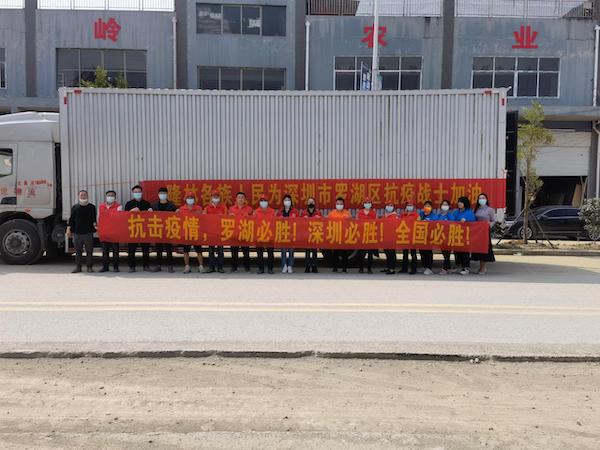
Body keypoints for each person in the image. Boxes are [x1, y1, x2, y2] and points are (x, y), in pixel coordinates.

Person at [124, 185, 156, 273]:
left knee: (145, 249)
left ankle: (146, 266)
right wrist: (131, 211)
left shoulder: (147, 203)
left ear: (142, 193)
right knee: (131, 249)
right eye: (136, 192)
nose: (137, 193)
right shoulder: (129, 204)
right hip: (133, 229)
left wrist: (151, 212)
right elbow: (124, 217)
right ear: (133, 193)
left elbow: (151, 218)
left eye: (139, 192)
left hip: (144, 229)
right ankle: (132, 266)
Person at [67, 190, 97, 273]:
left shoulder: (92, 207)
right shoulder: (75, 207)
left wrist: (95, 226)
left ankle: (89, 267)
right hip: (77, 233)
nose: (83, 197)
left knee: (89, 251)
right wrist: (68, 229)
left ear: (87, 196)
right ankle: (78, 267)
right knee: (78, 251)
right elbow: (71, 219)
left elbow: (94, 219)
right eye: (81, 195)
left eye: (84, 195)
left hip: (88, 232)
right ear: (78, 196)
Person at [178, 191, 204, 274]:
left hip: (196, 232)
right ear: (185, 199)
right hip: (186, 232)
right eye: (188, 198)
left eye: (191, 198)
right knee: (186, 250)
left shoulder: (199, 209)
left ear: (194, 199)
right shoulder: (181, 209)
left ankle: (201, 266)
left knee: (199, 250)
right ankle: (187, 266)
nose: (190, 199)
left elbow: (204, 220)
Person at [471, 193, 496, 275]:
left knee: (484, 249)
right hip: (478, 232)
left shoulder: (490, 209)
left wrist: (489, 225)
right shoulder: (476, 209)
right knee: (479, 249)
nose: (482, 200)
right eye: (480, 198)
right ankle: (480, 267)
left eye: (483, 198)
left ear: (486, 199)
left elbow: (493, 220)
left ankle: (483, 267)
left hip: (485, 232)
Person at [152, 187, 176, 273]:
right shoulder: (154, 205)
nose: (162, 195)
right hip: (158, 229)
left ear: (167, 194)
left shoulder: (172, 205)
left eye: (164, 193)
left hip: (168, 229)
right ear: (158, 195)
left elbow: (176, 216)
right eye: (161, 193)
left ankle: (170, 266)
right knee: (158, 248)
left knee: (169, 248)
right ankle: (158, 265)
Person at [229, 191, 253, 272]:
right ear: (236, 199)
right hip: (234, 233)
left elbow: (253, 220)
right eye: (239, 197)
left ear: (245, 199)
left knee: (246, 251)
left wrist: (249, 217)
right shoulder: (231, 209)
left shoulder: (249, 209)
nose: (240, 199)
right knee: (234, 251)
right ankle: (234, 267)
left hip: (245, 232)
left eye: (242, 197)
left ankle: (247, 267)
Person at [98, 190, 121, 273]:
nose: (110, 197)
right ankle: (105, 267)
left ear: (115, 197)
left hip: (114, 231)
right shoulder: (101, 206)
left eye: (112, 195)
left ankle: (115, 267)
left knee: (115, 250)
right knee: (105, 250)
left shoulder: (118, 206)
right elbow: (99, 217)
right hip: (104, 231)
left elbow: (119, 218)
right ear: (106, 197)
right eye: (109, 195)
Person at [453, 196, 476, 276]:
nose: (459, 203)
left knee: (464, 252)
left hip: (465, 235)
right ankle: (458, 266)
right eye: (459, 202)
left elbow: (473, 222)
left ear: (465, 203)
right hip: (456, 234)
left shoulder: (469, 212)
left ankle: (465, 268)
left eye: (461, 202)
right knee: (457, 252)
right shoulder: (456, 212)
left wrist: (466, 220)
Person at [204, 190, 227, 273]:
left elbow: (227, 218)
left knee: (220, 251)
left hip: (220, 232)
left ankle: (220, 267)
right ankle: (211, 267)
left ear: (219, 198)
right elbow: (204, 219)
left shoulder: (223, 208)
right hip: (211, 232)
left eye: (217, 196)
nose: (215, 198)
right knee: (211, 250)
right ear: (211, 197)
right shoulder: (207, 208)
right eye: (214, 196)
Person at [328, 197, 352, 273]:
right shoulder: (331, 213)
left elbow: (351, 224)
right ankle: (335, 267)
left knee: (344, 252)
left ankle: (344, 267)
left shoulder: (347, 213)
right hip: (335, 235)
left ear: (343, 204)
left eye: (341, 204)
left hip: (344, 235)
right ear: (335, 204)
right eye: (338, 203)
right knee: (335, 252)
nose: (339, 205)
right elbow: (328, 223)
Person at [277, 194, 299, 274]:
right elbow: (275, 222)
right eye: (285, 200)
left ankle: (290, 266)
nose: (287, 201)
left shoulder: (295, 211)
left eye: (288, 200)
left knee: (291, 250)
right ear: (283, 202)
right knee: (283, 251)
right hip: (282, 233)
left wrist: (295, 218)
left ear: (291, 201)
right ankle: (284, 266)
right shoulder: (280, 212)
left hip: (292, 233)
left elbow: (300, 222)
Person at [254, 194, 276, 274]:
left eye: (265, 200)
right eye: (262, 200)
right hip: (259, 235)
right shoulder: (256, 212)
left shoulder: (272, 211)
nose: (263, 202)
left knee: (270, 253)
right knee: (259, 253)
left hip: (269, 235)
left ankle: (270, 268)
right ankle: (261, 268)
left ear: (268, 202)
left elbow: (275, 222)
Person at [300, 197, 322, 273]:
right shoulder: (304, 212)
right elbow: (299, 223)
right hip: (306, 234)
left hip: (315, 234)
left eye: (312, 202)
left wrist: (319, 218)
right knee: (307, 251)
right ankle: (307, 266)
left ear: (314, 203)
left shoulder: (318, 212)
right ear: (307, 203)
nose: (311, 203)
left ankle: (314, 266)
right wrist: (303, 219)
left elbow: (323, 222)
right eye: (309, 202)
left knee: (314, 251)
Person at [356, 197, 377, 274]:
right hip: (362, 235)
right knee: (361, 253)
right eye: (366, 202)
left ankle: (369, 268)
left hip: (370, 235)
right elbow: (357, 223)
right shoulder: (360, 212)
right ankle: (361, 268)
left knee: (370, 253)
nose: (367, 204)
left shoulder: (373, 213)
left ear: (371, 204)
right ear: (363, 204)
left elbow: (376, 223)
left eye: (369, 203)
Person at [399, 200, 419, 275]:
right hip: (404, 235)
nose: (409, 207)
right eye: (408, 205)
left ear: (413, 206)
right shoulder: (403, 214)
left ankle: (413, 269)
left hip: (413, 236)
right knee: (405, 253)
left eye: (411, 205)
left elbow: (419, 224)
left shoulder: (416, 215)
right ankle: (404, 268)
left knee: (413, 253)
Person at [436, 199, 454, 275]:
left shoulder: (450, 215)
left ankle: (445, 268)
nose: (444, 206)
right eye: (443, 204)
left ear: (449, 206)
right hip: (440, 236)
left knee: (447, 253)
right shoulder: (439, 215)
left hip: (448, 236)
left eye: (446, 205)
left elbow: (453, 223)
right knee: (444, 253)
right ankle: (448, 267)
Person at [418, 200, 436, 275]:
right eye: (425, 206)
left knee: (428, 252)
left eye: (428, 206)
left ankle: (429, 268)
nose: (427, 207)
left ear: (431, 208)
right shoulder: (421, 214)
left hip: (429, 236)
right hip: (421, 235)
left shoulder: (433, 215)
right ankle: (424, 266)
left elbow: (435, 224)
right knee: (421, 252)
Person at [382, 202, 398, 275]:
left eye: (391, 205)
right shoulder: (385, 215)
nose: (389, 207)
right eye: (388, 205)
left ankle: (392, 268)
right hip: (385, 237)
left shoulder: (394, 216)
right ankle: (388, 267)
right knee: (387, 252)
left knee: (391, 253)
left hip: (392, 237)